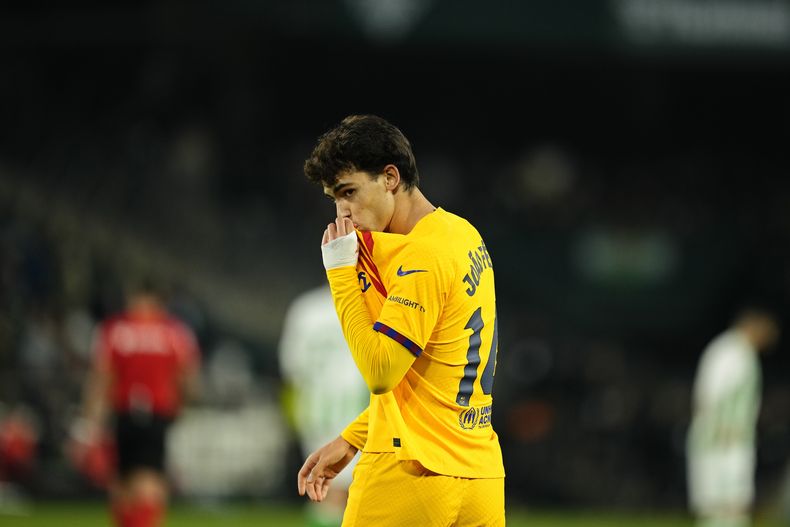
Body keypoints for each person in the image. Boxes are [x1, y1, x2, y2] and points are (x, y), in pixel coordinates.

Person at [296, 114, 505, 526]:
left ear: (390, 177)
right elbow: (428, 382)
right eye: (335, 198)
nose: (343, 212)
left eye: (350, 192)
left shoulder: (419, 259)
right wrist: (353, 438)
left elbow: (380, 372)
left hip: (412, 472)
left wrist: (341, 274)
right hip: (479, 477)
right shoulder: (462, 235)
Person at [79, 279, 201, 527]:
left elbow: (101, 378)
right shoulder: (174, 332)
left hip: (123, 412)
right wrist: (184, 407)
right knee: (151, 479)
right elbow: (189, 379)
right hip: (157, 414)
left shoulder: (114, 330)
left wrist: (90, 421)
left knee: (121, 481)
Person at [279, 283, 369, 527]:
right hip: (359, 410)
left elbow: (292, 369)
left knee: (324, 492)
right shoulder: (368, 302)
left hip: (315, 413)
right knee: (357, 495)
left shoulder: (305, 309)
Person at [687, 306, 780, 527]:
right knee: (720, 501)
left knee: (732, 502)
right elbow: (709, 392)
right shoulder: (730, 351)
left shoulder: (741, 352)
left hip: (732, 438)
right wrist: (721, 427)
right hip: (721, 439)